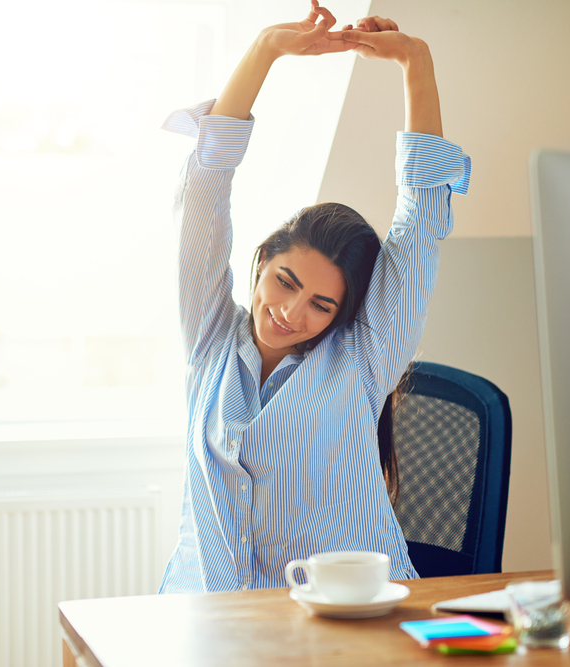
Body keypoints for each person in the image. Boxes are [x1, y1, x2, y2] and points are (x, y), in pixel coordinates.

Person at [159, 1, 470, 593]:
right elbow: (204, 191)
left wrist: (416, 64)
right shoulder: (210, 339)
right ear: (261, 264)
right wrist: (265, 51)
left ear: (344, 314)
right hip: (211, 614)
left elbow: (419, 221)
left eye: (322, 306)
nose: (290, 313)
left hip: (346, 619)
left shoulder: (365, 356)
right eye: (285, 281)